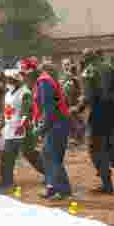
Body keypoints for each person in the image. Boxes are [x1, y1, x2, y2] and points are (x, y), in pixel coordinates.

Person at [74, 48, 114, 194]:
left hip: (98, 112)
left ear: (85, 59)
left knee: (95, 149)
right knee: (111, 147)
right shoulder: (110, 67)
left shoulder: (88, 71)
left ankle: (107, 184)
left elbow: (88, 97)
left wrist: (77, 109)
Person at [22, 58, 73, 200]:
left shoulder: (43, 82)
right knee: (49, 155)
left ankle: (62, 190)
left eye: (25, 74)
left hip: (56, 122)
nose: (24, 77)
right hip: (56, 122)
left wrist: (40, 129)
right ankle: (53, 187)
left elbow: (49, 110)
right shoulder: (43, 81)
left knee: (51, 155)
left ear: (32, 72)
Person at [0, 69, 32, 188]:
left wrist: (21, 124)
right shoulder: (8, 94)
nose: (7, 82)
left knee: (30, 154)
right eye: (7, 80)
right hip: (9, 129)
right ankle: (6, 181)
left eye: (10, 80)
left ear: (16, 80)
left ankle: (49, 175)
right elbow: (5, 111)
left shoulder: (25, 93)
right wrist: (0, 126)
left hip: (20, 129)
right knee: (6, 156)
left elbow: (26, 111)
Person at [61, 57, 85, 146]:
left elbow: (81, 91)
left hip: (74, 103)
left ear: (71, 65)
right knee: (70, 122)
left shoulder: (75, 79)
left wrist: (78, 104)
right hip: (65, 104)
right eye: (64, 65)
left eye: (68, 64)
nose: (66, 67)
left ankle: (79, 139)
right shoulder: (63, 78)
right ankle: (73, 139)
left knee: (77, 121)